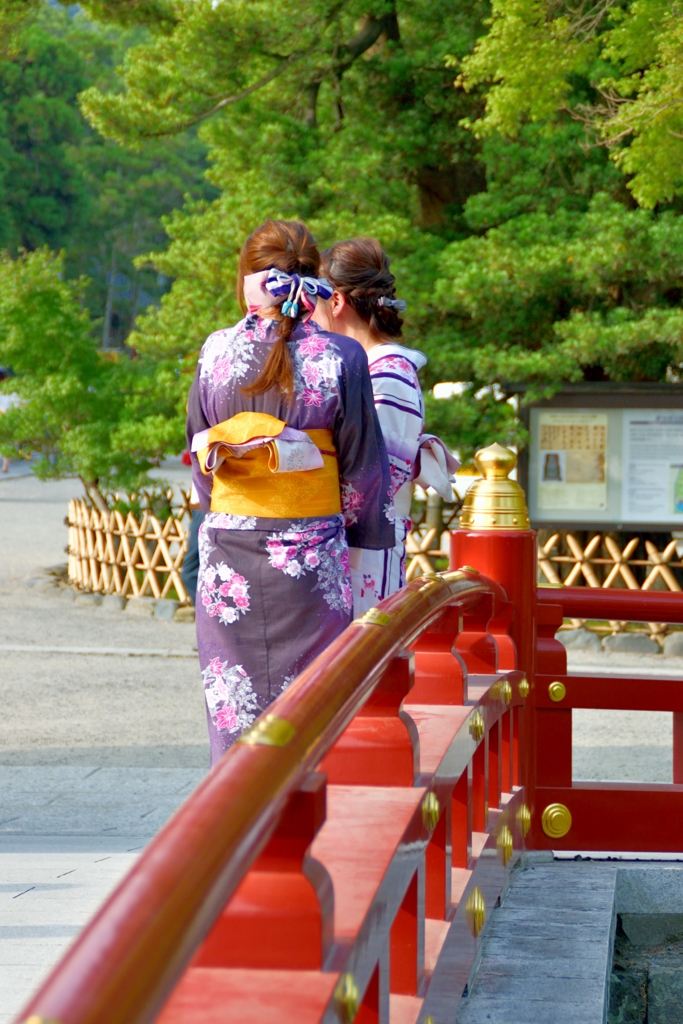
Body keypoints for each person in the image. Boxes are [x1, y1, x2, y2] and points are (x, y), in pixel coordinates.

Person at [186, 219, 393, 765]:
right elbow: (362, 473)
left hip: (228, 552)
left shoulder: (214, 353)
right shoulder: (340, 358)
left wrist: (231, 504)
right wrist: (359, 535)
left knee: (235, 709)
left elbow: (200, 457)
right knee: (313, 707)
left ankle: (236, 828)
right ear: (313, 281)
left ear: (248, 280)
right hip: (309, 556)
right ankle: (305, 826)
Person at [313, 237, 458, 615]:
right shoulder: (373, 367)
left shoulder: (388, 374)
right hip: (349, 544)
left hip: (364, 549)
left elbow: (376, 481)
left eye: (315, 298)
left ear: (337, 301)